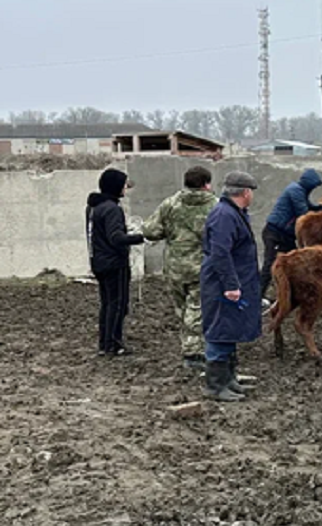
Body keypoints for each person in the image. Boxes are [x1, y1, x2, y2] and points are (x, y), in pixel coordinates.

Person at [142, 166, 217, 370]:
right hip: (200, 265)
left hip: (174, 266)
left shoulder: (171, 203)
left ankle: (191, 346)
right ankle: (194, 353)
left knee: (183, 309)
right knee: (197, 309)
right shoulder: (214, 205)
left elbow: (150, 230)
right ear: (206, 184)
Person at [200, 171, 262, 402]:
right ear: (245, 193)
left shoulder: (233, 213)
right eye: (251, 192)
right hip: (221, 284)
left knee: (230, 328)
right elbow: (220, 253)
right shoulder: (225, 216)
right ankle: (215, 385)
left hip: (232, 280)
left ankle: (229, 379)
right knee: (220, 330)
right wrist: (230, 285)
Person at [86, 168, 144, 356]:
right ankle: (114, 343)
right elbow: (116, 238)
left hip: (98, 261)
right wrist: (140, 237)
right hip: (114, 264)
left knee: (107, 304)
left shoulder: (93, 207)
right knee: (118, 304)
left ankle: (104, 343)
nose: (125, 190)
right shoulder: (112, 209)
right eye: (124, 185)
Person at [259, 168, 322, 301]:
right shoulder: (295, 191)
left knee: (295, 262)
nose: (314, 189)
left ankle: (292, 293)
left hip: (285, 235)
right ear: (309, 183)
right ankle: (258, 296)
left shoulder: (300, 191)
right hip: (275, 233)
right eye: (314, 186)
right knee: (270, 263)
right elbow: (303, 213)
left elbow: (309, 206)